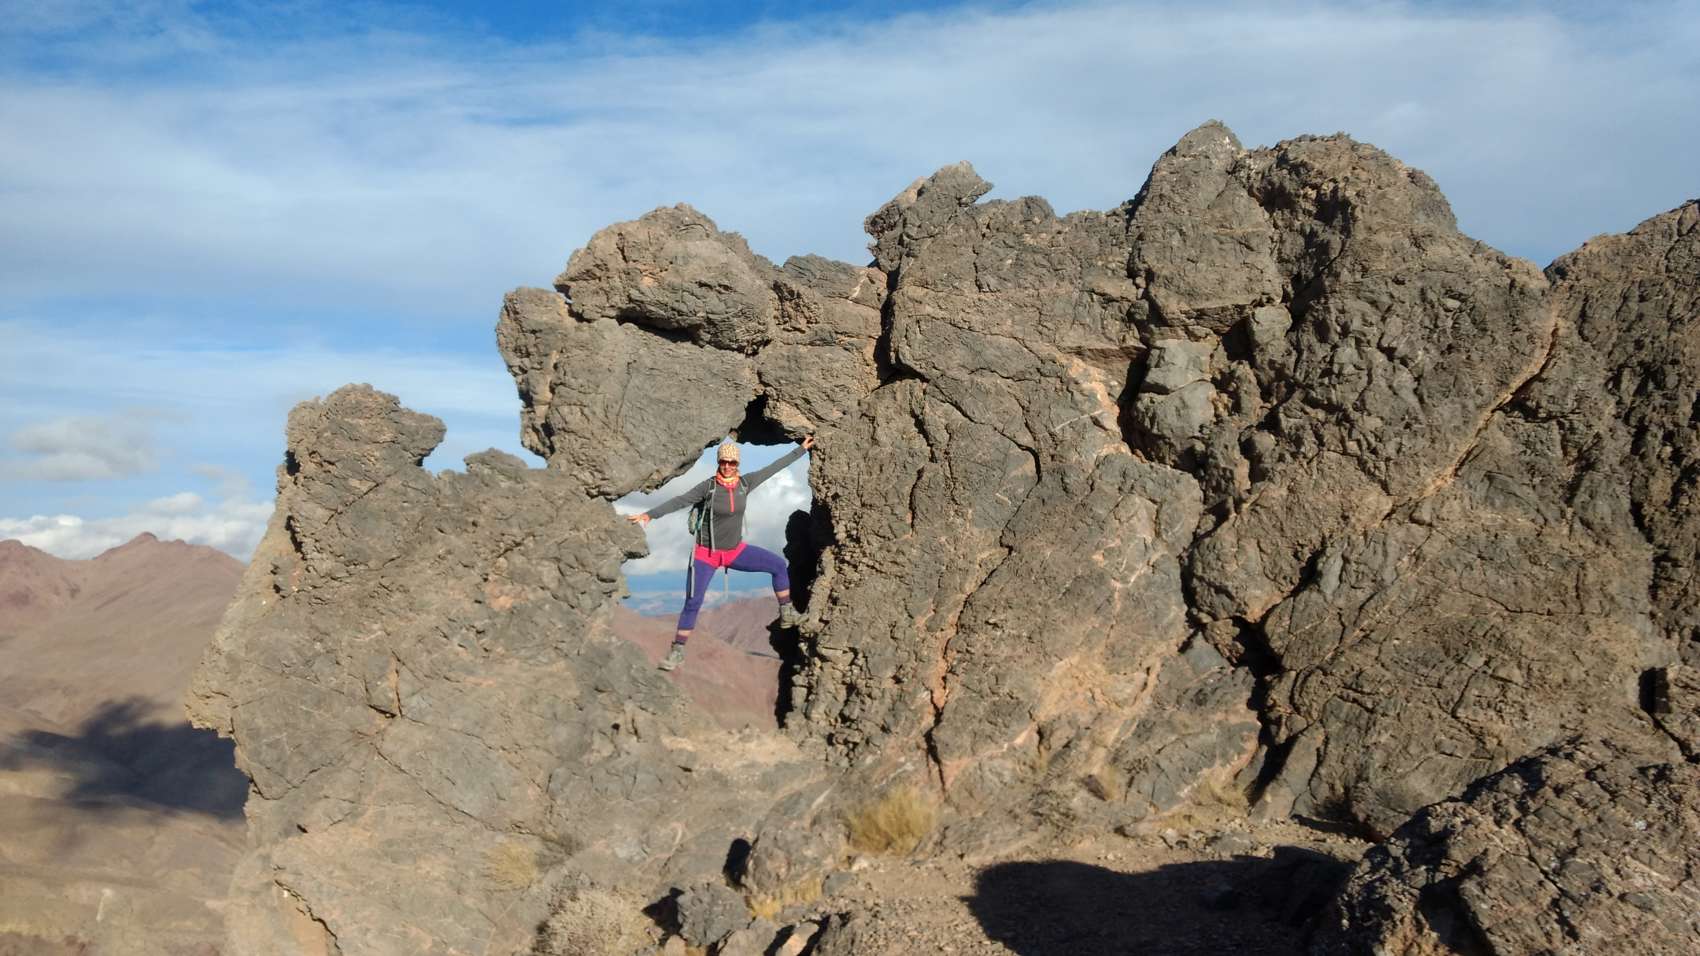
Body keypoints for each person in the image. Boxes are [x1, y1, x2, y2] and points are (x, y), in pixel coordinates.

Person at [627, 435, 815, 671]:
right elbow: (680, 500)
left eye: (732, 462)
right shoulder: (708, 487)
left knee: (777, 565)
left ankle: (787, 612)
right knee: (693, 602)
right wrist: (649, 515)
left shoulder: (745, 483)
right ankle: (677, 651)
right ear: (719, 462)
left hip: (734, 551)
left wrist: (800, 450)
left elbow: (773, 468)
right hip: (706, 554)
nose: (727, 466)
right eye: (723, 462)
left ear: (738, 464)